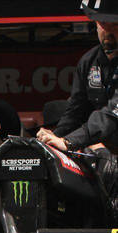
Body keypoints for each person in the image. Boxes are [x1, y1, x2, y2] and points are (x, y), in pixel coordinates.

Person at [38, 0, 118, 153]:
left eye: (114, 25)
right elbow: (75, 111)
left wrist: (69, 141)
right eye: (102, 24)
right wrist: (54, 139)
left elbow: (113, 113)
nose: (107, 31)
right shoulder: (89, 61)